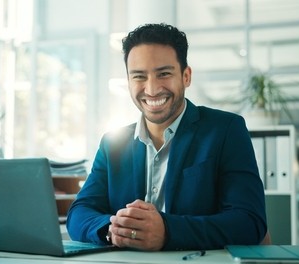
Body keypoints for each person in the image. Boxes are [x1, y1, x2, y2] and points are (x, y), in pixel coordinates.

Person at [66, 23, 267, 251]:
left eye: (164, 74)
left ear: (186, 76)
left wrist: (168, 231)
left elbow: (249, 222)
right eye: (139, 76)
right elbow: (78, 213)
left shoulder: (226, 130)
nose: (151, 89)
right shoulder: (113, 143)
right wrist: (112, 230)